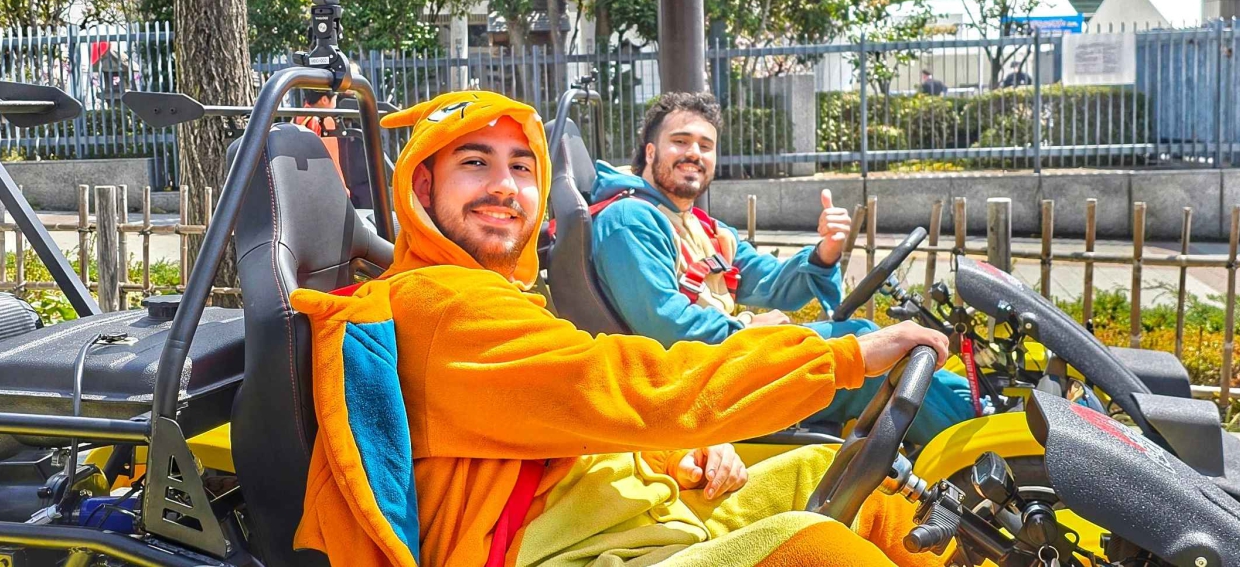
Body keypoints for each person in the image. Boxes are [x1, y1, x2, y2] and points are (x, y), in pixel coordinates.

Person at [291, 91, 953, 567]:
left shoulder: (499, 294)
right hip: (571, 547)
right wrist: (839, 357)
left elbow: (571, 412)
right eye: (474, 163)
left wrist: (673, 452)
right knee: (818, 548)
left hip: (634, 508)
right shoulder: (446, 305)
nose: (504, 187)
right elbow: (629, 379)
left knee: (853, 478)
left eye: (521, 167)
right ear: (421, 187)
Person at [588, 92, 975, 442]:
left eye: (705, 146)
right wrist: (748, 331)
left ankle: (981, 412)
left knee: (883, 342)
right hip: (694, 388)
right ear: (651, 152)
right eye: (680, 141)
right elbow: (664, 324)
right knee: (868, 359)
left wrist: (824, 252)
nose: (694, 153)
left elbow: (772, 283)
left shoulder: (703, 227)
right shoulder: (629, 220)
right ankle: (976, 445)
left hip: (725, 368)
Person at [294, 91, 375, 210]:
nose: (336, 103)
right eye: (335, 98)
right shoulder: (325, 120)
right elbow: (331, 157)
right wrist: (341, 187)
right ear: (324, 100)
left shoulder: (300, 116)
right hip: (327, 186)